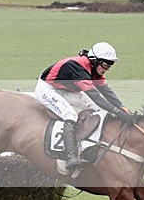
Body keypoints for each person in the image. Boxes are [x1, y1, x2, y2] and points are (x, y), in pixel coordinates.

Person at [35, 42, 135, 170]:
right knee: (70, 115)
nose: (106, 69)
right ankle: (70, 156)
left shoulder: (94, 69)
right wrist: (117, 112)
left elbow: (106, 91)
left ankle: (89, 143)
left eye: (110, 66)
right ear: (95, 61)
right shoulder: (77, 67)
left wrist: (122, 107)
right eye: (105, 65)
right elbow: (96, 96)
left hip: (65, 89)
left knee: (95, 108)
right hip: (48, 89)